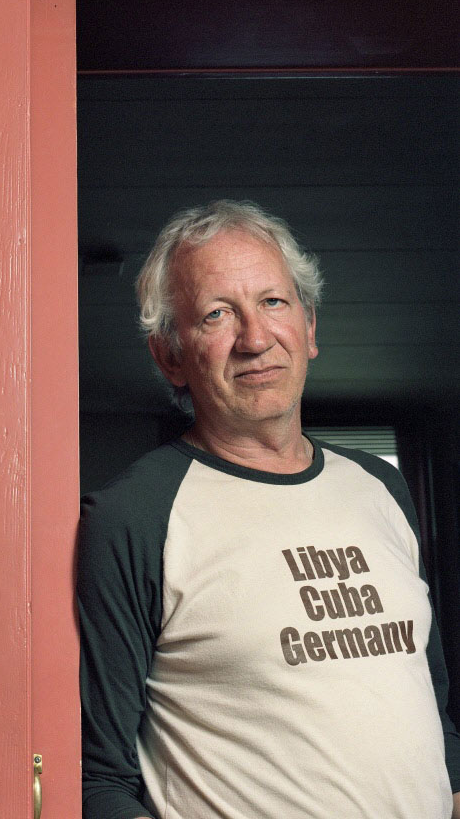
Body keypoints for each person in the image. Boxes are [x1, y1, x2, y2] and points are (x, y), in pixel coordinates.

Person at [77, 200, 460, 819]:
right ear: (170, 355)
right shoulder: (135, 515)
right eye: (217, 314)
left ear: (309, 327)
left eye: (274, 302)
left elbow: (437, 725)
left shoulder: (379, 486)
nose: (255, 339)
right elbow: (99, 779)